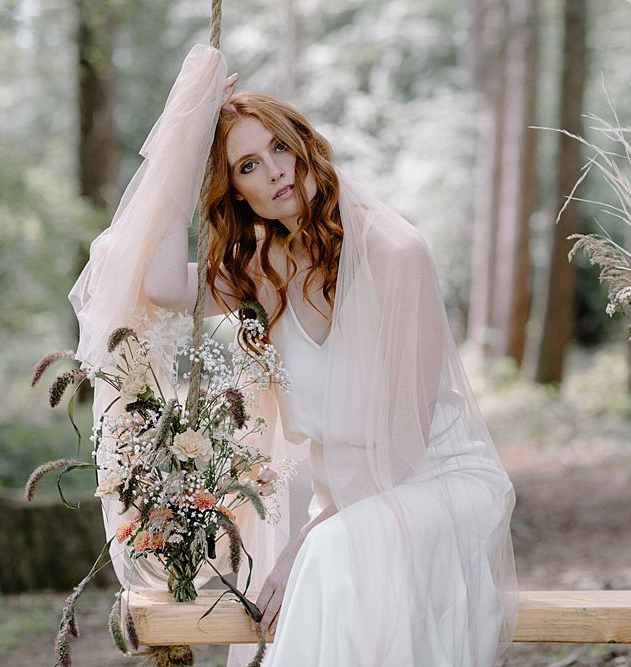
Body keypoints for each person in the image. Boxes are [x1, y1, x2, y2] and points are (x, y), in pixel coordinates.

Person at [70, 44, 518, 667]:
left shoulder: (396, 252)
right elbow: (163, 284)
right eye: (248, 165)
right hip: (344, 509)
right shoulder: (262, 270)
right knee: (330, 564)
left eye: (280, 147)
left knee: (328, 561)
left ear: (306, 147)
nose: (275, 171)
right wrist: (183, 138)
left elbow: (404, 443)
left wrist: (297, 547)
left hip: (435, 484)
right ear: (238, 194)